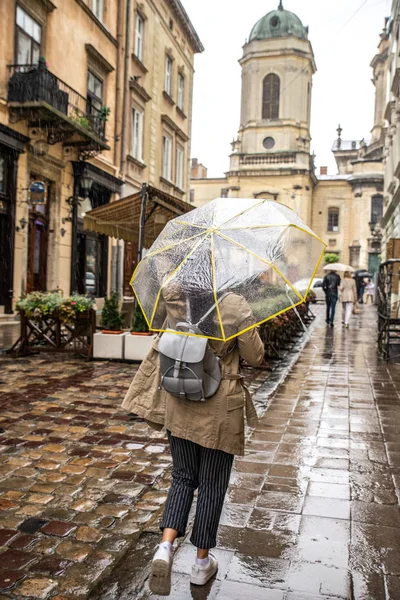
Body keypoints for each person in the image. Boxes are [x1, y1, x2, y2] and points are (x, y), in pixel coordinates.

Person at [121, 292, 264, 596]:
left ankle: (165, 546)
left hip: (181, 395)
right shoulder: (234, 304)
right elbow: (255, 356)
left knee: (182, 477)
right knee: (212, 484)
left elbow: (159, 331)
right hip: (220, 407)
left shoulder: (175, 294)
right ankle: (201, 564)